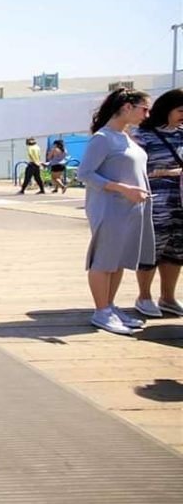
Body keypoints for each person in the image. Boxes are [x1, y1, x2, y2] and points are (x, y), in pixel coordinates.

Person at [77, 87, 154, 335]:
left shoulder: (125, 137)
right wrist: (121, 188)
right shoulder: (103, 138)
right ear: (127, 107)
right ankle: (101, 311)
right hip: (110, 208)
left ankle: (109, 306)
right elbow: (85, 174)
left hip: (129, 209)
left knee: (118, 259)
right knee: (104, 260)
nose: (147, 114)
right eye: (144, 108)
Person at [131, 88, 183, 318]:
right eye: (180, 110)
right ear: (167, 109)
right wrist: (172, 172)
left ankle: (168, 297)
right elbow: (138, 170)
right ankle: (144, 296)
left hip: (180, 201)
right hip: (156, 202)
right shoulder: (144, 135)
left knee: (177, 251)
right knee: (152, 249)